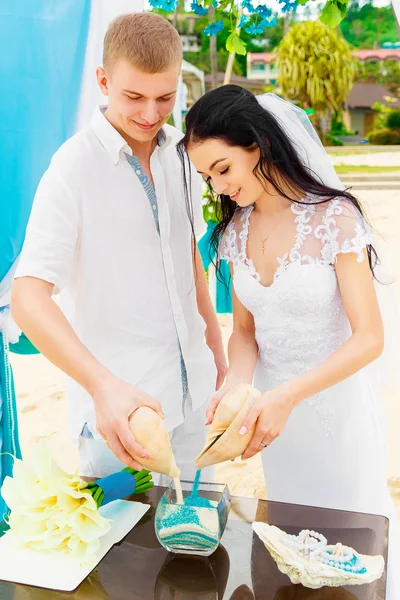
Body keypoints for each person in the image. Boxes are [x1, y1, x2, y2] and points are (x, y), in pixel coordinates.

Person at [178, 84, 399, 598]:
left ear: (257, 144)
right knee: (294, 559)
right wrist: (236, 387)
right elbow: (246, 336)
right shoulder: (234, 232)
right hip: (275, 429)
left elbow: (370, 338)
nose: (219, 186)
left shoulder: (336, 217)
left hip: (334, 418)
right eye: (208, 176)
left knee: (351, 559)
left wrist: (286, 396)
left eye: (224, 168)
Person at [11, 13, 226, 480]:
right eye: (134, 97)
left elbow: (188, 257)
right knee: (127, 553)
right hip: (121, 420)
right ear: (103, 81)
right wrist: (101, 386)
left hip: (198, 402)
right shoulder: (71, 169)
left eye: (165, 98)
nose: (151, 114)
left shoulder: (183, 156)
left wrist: (217, 353)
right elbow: (27, 296)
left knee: (200, 547)